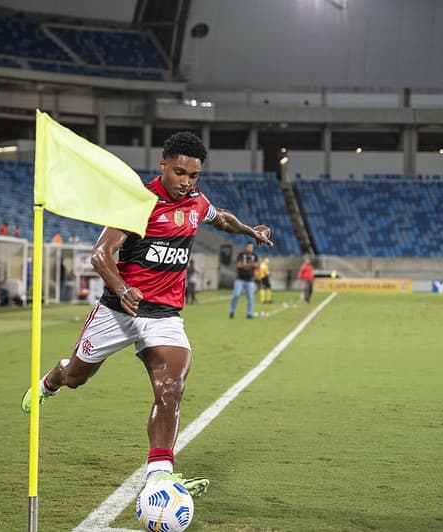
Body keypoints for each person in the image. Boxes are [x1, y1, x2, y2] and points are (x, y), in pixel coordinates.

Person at [20, 132, 273, 498]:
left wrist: (251, 230)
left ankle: (159, 473)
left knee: (171, 387)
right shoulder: (137, 203)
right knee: (76, 376)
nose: (186, 183)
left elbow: (222, 219)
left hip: (165, 315)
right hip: (118, 311)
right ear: (163, 166)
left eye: (194, 176)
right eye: (180, 173)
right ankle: (50, 382)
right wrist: (122, 289)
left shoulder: (196, 204)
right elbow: (100, 254)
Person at [229, 242, 258, 319]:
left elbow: (255, 266)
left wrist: (244, 266)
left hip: (250, 280)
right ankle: (232, 311)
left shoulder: (255, 256)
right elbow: (239, 265)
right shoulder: (241, 255)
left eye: (251, 247)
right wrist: (250, 265)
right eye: (249, 247)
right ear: (246, 247)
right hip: (240, 279)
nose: (250, 249)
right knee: (236, 295)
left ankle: (249, 313)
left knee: (250, 297)